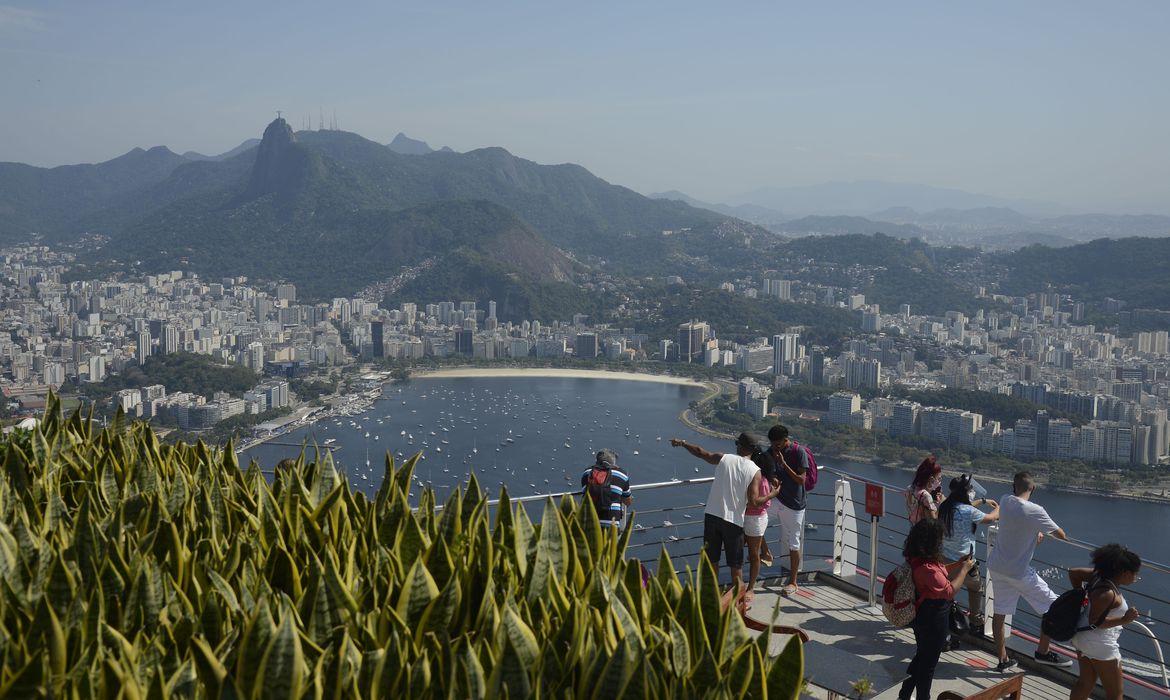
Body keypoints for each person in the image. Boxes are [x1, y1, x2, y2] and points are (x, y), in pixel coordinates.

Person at [987, 471, 1073, 671]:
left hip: (997, 566)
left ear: (1013, 486)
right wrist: (1038, 530)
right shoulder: (1036, 510)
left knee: (1000, 614)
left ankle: (1003, 660)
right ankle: (1042, 652)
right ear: (1032, 488)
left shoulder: (1005, 499)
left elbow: (1015, 523)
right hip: (1018, 571)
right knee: (1055, 607)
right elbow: (1061, 535)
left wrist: (1034, 531)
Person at [671, 433, 762, 594]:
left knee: (712, 561)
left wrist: (682, 442)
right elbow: (754, 501)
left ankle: (712, 596)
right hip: (733, 521)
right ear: (754, 450)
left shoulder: (724, 458)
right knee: (736, 565)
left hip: (712, 515)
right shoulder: (755, 471)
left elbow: (701, 452)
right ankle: (736, 601)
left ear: (738, 445)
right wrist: (773, 494)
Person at [897, 519, 975, 700]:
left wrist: (957, 564)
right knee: (929, 663)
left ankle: (904, 694)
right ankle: (922, 697)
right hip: (933, 617)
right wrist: (964, 570)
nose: (941, 543)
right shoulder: (927, 568)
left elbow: (939, 574)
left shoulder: (919, 560)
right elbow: (948, 591)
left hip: (923, 614)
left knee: (922, 657)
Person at [1068, 544, 1142, 700]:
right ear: (1123, 572)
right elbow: (1096, 622)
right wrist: (1124, 619)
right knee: (1115, 693)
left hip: (1082, 638)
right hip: (1101, 645)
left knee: (1085, 683)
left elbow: (1074, 573)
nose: (1136, 578)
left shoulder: (1097, 577)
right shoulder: (1108, 593)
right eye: (1135, 574)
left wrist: (1080, 595)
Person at [938, 474, 999, 632]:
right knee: (976, 587)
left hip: (944, 559)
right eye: (970, 489)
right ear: (965, 492)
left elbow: (966, 508)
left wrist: (983, 501)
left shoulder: (945, 506)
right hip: (963, 563)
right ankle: (975, 620)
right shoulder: (969, 511)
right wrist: (999, 508)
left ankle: (947, 617)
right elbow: (991, 518)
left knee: (947, 591)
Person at [767, 424, 808, 595]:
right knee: (755, 519)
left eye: (777, 444)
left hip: (795, 504)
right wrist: (774, 478)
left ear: (786, 440)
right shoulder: (771, 451)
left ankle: (793, 581)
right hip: (778, 498)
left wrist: (783, 463)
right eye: (772, 444)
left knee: (793, 543)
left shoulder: (799, 452)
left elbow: (801, 480)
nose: (774, 447)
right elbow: (770, 472)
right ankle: (764, 551)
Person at [743, 445, 782, 601]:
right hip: (751, 518)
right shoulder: (760, 478)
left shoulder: (762, 481)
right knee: (752, 551)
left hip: (754, 518)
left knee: (753, 555)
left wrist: (772, 494)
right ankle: (766, 552)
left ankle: (751, 588)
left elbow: (757, 503)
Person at [580, 448, 632, 527]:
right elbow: (627, 502)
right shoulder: (621, 474)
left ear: (597, 460)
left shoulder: (587, 473)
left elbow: (584, 493)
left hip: (589, 520)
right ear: (614, 462)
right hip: (611, 521)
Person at [906, 456, 943, 525]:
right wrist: (940, 504)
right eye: (939, 478)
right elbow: (934, 520)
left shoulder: (910, 488)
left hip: (914, 526)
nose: (939, 482)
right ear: (932, 479)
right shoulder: (926, 496)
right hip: (925, 532)